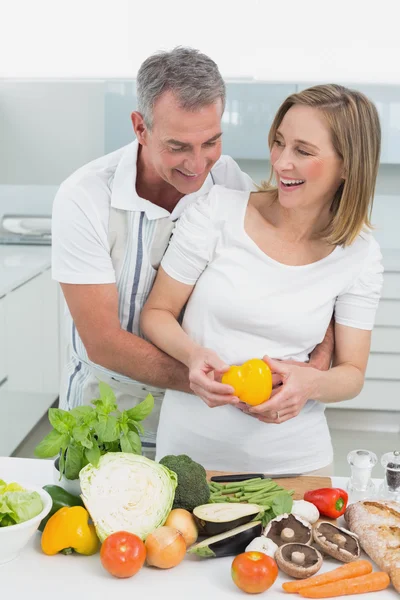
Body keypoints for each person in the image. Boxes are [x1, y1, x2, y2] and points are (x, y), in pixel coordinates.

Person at [52, 47, 332, 442]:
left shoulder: (229, 182)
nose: (198, 165)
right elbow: (104, 342)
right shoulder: (84, 197)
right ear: (140, 128)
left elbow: (304, 267)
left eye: (211, 142)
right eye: (178, 146)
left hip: (200, 422)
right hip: (106, 414)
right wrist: (211, 381)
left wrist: (317, 365)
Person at [140, 84, 384, 476]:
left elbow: (352, 374)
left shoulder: (359, 254)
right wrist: (192, 355)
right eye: (279, 143)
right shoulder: (217, 212)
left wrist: (309, 384)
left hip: (297, 464)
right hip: (190, 459)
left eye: (303, 151)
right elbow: (157, 312)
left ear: (347, 165)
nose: (281, 162)